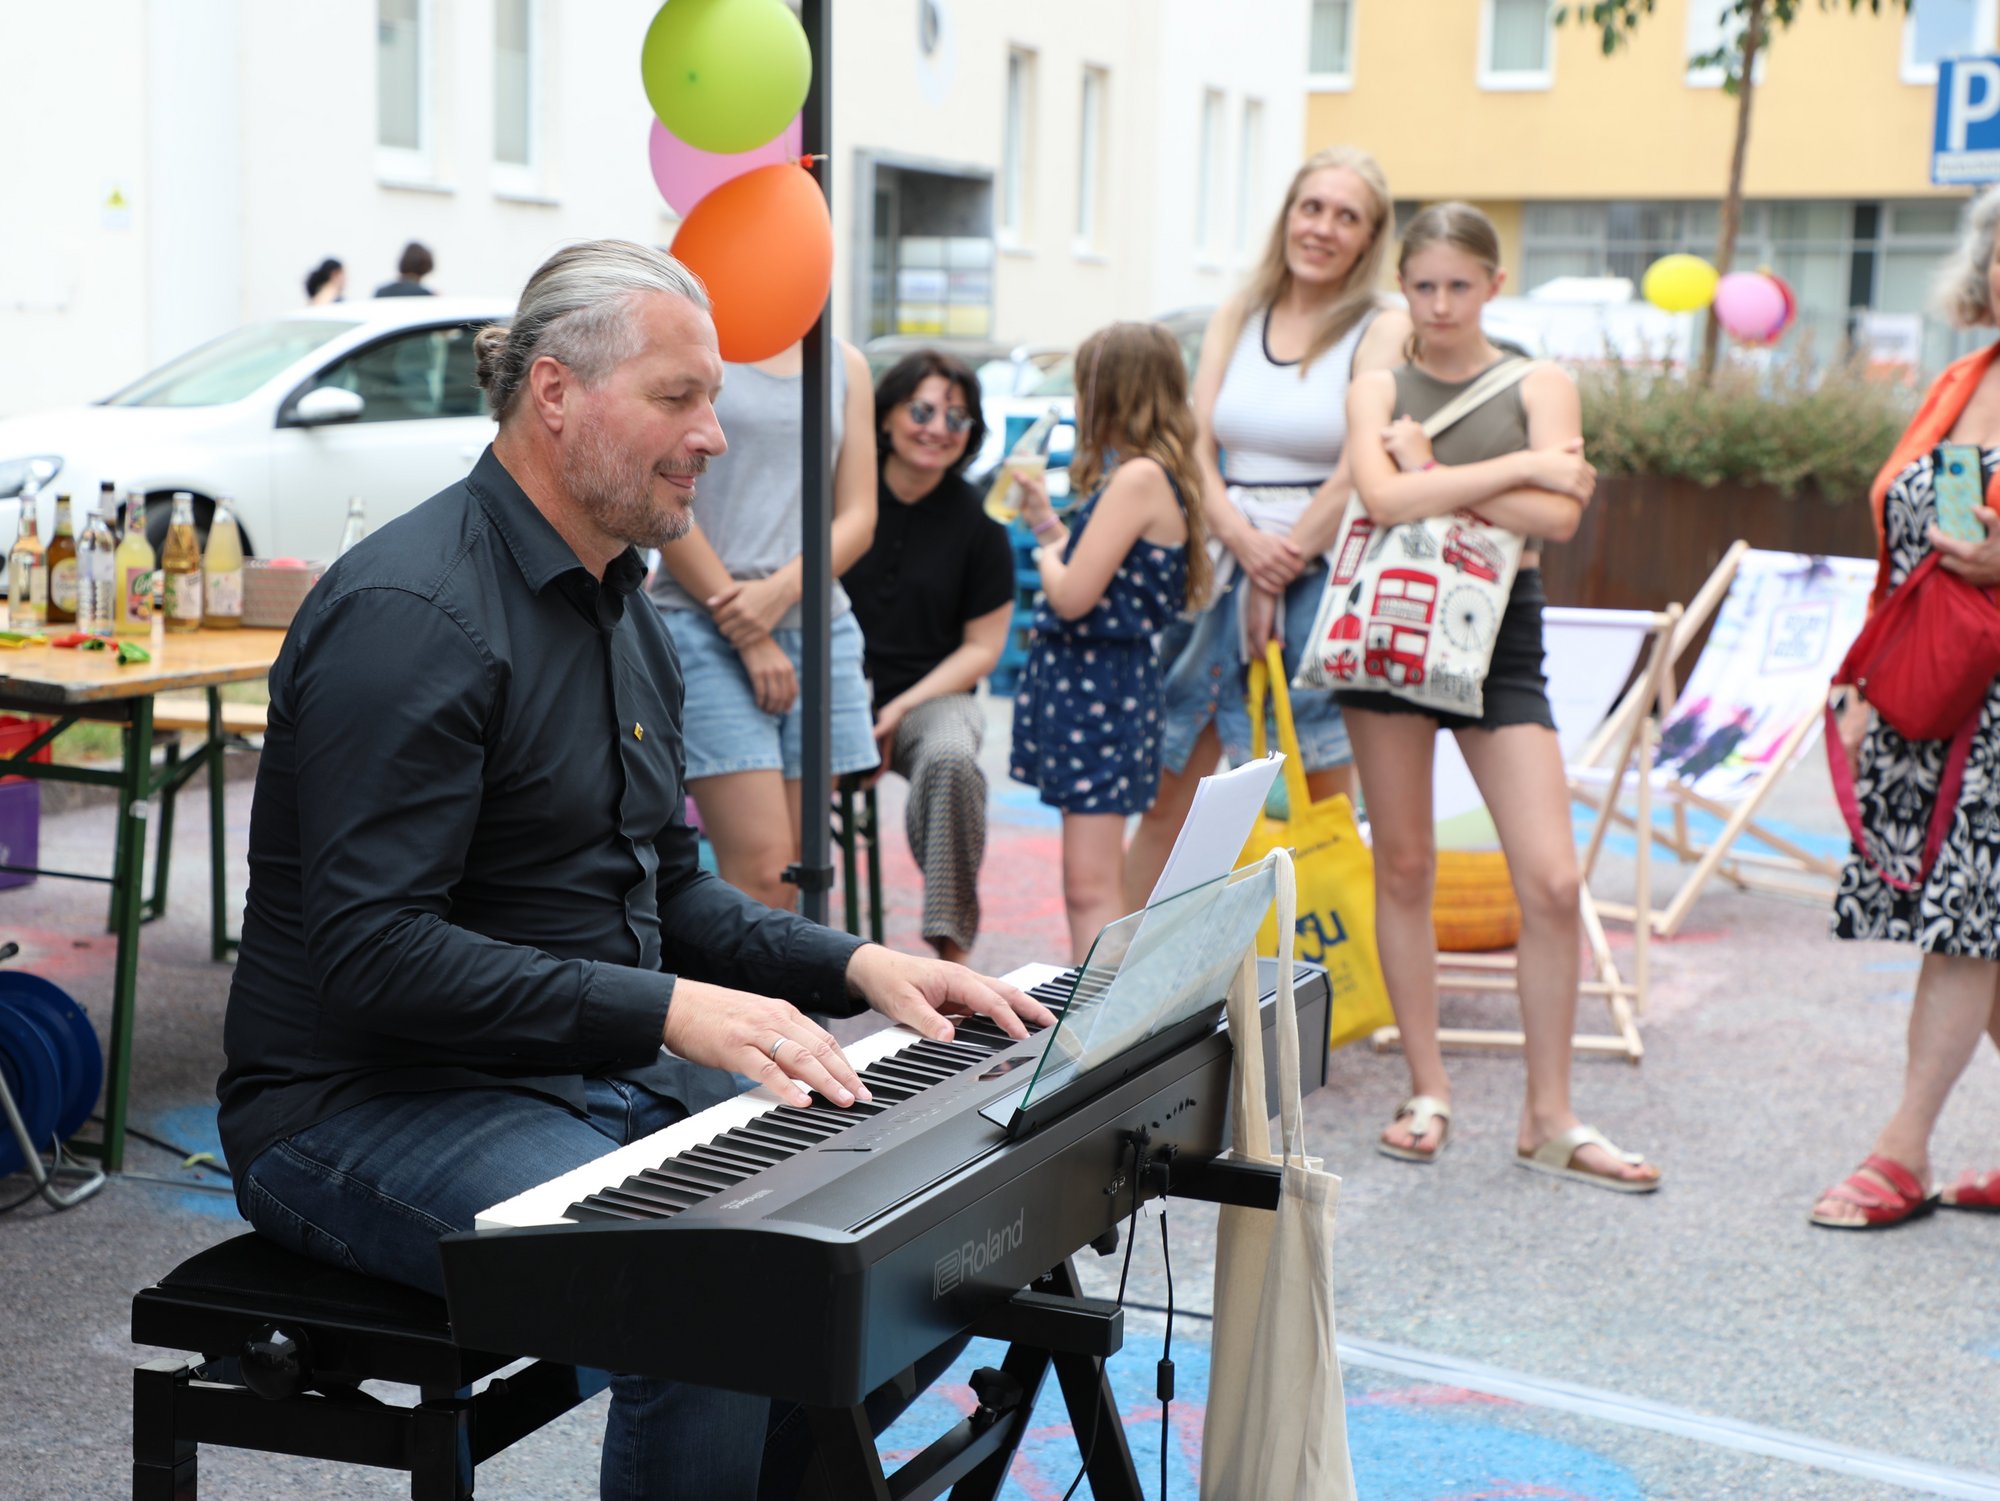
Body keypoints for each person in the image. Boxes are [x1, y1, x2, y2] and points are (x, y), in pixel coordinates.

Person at [215, 239, 1053, 1500]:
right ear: (554, 393)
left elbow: (668, 892)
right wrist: (668, 1008)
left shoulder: (620, 608)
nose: (713, 434)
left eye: (710, 398)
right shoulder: (410, 615)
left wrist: (861, 965)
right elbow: (371, 954)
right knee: (706, 1295)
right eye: (678, 397)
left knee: (908, 1223)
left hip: (565, 1075)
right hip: (358, 1107)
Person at [1340, 203, 1658, 1192]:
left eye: (1458, 285)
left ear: (1492, 283)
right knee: (1403, 864)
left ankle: (1548, 1115)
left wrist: (1432, 469)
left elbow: (1557, 520)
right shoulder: (1376, 386)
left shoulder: (1538, 381)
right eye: (1421, 286)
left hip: (1500, 631)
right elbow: (1382, 498)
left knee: (1552, 881)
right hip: (1390, 626)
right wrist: (1515, 466)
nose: (1439, 304)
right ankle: (1426, 1088)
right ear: (1402, 286)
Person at [1124, 146, 1410, 910]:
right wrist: (1245, 546)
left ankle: (1321, 969)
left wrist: (1281, 560)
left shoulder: (1382, 326)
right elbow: (1194, 442)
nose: (1322, 228)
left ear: (1369, 236)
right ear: (1288, 214)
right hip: (1222, 560)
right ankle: (1124, 972)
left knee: (1319, 795)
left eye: (1346, 216)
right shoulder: (1240, 311)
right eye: (1311, 207)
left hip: (1325, 572)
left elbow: (1361, 462)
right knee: (1170, 791)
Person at [1814, 183, 2000, 1229]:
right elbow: (1904, 537)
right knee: (1979, 925)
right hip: (1937, 686)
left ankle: (1900, 1150)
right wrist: (1867, 677)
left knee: (1965, 924)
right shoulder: (1961, 376)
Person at [648, 338, 879, 911]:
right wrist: (748, 630)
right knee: (763, 876)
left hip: (817, 625)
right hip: (705, 621)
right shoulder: (696, 343)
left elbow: (859, 515)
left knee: (802, 871)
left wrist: (779, 594)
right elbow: (660, 494)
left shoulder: (843, 362)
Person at [1009, 322, 1210, 962]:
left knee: (1089, 885)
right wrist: (1046, 523)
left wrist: (1045, 558)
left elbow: (1073, 595)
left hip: (1096, 691)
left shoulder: (1137, 478)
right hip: (1109, 687)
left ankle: (1099, 1015)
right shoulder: (1152, 474)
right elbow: (1100, 575)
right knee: (1093, 880)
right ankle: (1103, 1006)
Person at [845, 351, 1016, 963]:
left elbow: (983, 649)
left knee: (952, 761)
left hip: (932, 697)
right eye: (921, 411)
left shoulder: (981, 523)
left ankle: (952, 958)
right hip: (832, 687)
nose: (938, 428)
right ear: (885, 416)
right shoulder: (842, 494)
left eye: (957, 417)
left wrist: (898, 709)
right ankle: (785, 945)